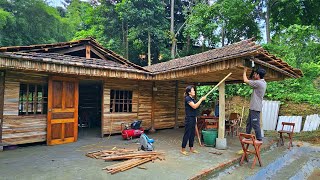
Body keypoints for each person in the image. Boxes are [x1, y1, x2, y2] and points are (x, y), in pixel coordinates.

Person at [243, 67, 267, 142]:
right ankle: (247, 137)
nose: (254, 75)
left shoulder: (259, 83)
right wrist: (253, 72)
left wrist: (244, 71)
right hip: (253, 106)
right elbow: (252, 80)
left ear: (258, 75)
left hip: (255, 107)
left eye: (255, 74)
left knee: (255, 123)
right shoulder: (262, 82)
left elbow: (245, 80)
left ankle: (259, 139)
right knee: (249, 123)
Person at [181, 85, 206, 155]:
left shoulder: (192, 99)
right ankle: (183, 149)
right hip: (189, 118)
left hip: (193, 117)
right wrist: (201, 99)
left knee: (192, 134)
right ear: (189, 92)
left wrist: (202, 100)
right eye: (193, 90)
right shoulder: (187, 98)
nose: (194, 91)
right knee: (187, 133)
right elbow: (194, 106)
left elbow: (197, 106)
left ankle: (191, 148)